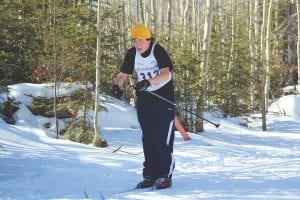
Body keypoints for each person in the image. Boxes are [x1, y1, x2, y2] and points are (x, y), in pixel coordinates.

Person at [111, 24, 175, 190]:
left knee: (161, 139)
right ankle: (150, 175)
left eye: (140, 40)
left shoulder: (157, 50)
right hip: (145, 101)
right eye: (134, 40)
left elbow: (166, 73)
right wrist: (117, 85)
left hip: (163, 100)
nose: (137, 44)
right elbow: (123, 74)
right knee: (147, 138)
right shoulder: (132, 53)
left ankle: (164, 175)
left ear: (148, 40)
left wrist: (148, 82)